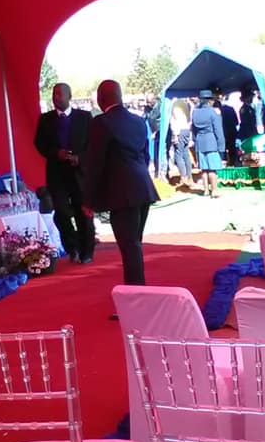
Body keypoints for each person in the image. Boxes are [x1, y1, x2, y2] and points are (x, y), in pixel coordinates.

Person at [82, 79, 159, 294]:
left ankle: (136, 294)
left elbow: (95, 163)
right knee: (134, 243)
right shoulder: (138, 121)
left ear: (100, 99)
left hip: (122, 193)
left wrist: (89, 200)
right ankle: (137, 290)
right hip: (143, 187)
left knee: (129, 246)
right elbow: (145, 156)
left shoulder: (100, 123)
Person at [34, 82, 95, 264]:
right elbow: (39, 144)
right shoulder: (46, 119)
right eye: (54, 94)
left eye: (60, 94)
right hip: (57, 174)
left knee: (82, 212)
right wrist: (55, 153)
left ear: (69, 96)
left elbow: (93, 144)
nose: (56, 97)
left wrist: (80, 158)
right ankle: (72, 246)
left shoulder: (84, 118)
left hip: (79, 174)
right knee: (61, 213)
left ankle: (86, 251)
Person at [191, 89, 225, 198]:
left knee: (204, 168)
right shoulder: (212, 112)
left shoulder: (195, 112)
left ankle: (205, 190)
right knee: (212, 168)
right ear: (210, 100)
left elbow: (194, 130)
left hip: (200, 141)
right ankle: (214, 190)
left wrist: (195, 141)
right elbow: (218, 130)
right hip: (211, 141)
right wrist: (221, 147)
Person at [169, 102, 193, 190]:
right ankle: (189, 177)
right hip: (186, 129)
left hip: (179, 131)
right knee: (186, 154)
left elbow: (174, 121)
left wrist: (175, 135)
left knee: (178, 155)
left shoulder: (174, 105)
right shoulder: (185, 105)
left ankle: (183, 178)